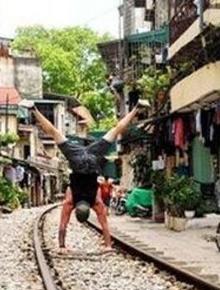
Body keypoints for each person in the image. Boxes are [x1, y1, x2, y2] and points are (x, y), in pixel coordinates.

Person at [32, 102, 148, 252]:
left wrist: (107, 245)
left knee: (115, 130)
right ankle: (34, 110)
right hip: (78, 159)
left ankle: (136, 108)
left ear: (89, 209)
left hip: (91, 159)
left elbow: (102, 226)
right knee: (55, 133)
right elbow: (64, 225)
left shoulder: (95, 202)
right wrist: (62, 246)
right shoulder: (72, 200)